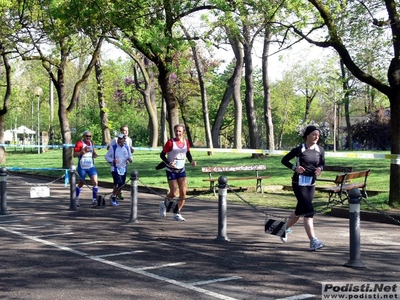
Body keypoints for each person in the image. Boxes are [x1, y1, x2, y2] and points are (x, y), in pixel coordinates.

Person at [281, 125, 325, 251]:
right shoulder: (299, 149)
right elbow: (284, 160)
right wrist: (295, 168)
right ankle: (313, 241)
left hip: (311, 183)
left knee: (300, 210)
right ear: (307, 135)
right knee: (309, 211)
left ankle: (283, 229)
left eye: (317, 135)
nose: (316, 137)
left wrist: (320, 169)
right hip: (298, 183)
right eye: (313, 134)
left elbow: (322, 163)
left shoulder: (320, 149)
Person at [158, 124, 196, 221]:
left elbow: (187, 153)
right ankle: (164, 204)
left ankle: (177, 213)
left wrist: (191, 161)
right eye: (176, 131)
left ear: (183, 132)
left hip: (181, 170)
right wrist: (169, 163)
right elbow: (162, 155)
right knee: (174, 193)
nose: (178, 133)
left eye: (180, 131)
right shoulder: (170, 142)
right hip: (171, 170)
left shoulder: (186, 142)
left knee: (183, 193)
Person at [107, 125, 134, 200]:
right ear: (121, 131)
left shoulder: (129, 140)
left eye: (127, 131)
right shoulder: (115, 140)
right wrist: (113, 157)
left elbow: (130, 152)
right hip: (115, 165)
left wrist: (130, 157)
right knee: (117, 182)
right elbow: (108, 149)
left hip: (124, 164)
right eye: (124, 131)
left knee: (121, 183)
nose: (125, 132)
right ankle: (114, 196)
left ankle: (116, 194)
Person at [73, 130, 99, 207]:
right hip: (82, 166)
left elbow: (93, 152)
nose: (88, 137)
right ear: (83, 136)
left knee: (95, 182)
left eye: (90, 136)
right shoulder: (80, 143)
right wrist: (82, 152)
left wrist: (94, 154)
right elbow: (74, 154)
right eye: (87, 136)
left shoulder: (91, 143)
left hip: (91, 166)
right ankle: (76, 198)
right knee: (81, 182)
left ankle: (94, 199)